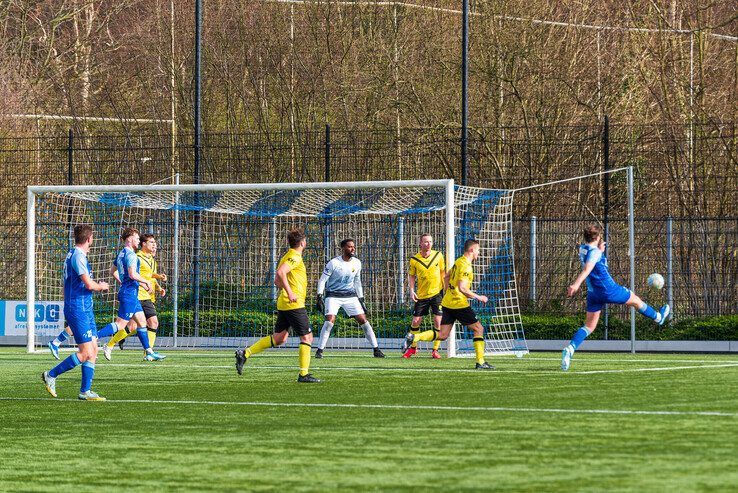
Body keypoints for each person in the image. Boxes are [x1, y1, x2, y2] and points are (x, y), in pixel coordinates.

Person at [561, 224, 670, 371]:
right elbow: (588, 269)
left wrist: (599, 251)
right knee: (636, 300)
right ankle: (658, 317)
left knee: (589, 326)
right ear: (598, 237)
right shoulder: (594, 253)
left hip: (594, 293)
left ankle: (570, 349)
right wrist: (575, 284)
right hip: (608, 289)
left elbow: (591, 258)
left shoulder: (583, 249)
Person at [235, 228, 320, 383]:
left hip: (285, 303)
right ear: (302, 242)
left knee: (280, 338)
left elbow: (276, 280)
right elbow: (281, 273)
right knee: (307, 337)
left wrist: (287, 290)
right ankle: (303, 374)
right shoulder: (294, 256)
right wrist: (291, 292)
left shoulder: (287, 255)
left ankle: (245, 353)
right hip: (293, 304)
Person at [402, 239, 494, 370]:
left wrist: (447, 291)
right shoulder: (466, 266)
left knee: (443, 335)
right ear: (472, 250)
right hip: (459, 304)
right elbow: (462, 288)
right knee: (479, 329)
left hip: (447, 302)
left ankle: (414, 337)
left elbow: (446, 277)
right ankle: (480, 362)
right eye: (478, 250)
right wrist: (479, 297)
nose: (479, 252)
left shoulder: (459, 261)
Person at [42, 224, 110, 400]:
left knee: (93, 349)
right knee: (86, 352)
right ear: (89, 239)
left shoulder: (73, 255)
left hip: (84, 308)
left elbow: (69, 285)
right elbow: (88, 284)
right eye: (92, 237)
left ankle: (85, 391)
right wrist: (101, 286)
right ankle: (51, 374)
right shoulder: (78, 256)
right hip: (78, 308)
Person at [101, 228, 165, 362]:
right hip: (130, 294)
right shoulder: (131, 255)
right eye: (136, 238)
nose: (138, 240)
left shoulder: (121, 254)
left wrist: (139, 283)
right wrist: (146, 282)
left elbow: (113, 271)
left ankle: (149, 351)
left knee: (142, 323)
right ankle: (94, 338)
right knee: (120, 325)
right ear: (129, 239)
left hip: (131, 292)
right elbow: (132, 274)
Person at [314, 238, 385, 359]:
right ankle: (319, 351)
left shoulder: (357, 263)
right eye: (349, 247)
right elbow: (322, 281)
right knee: (329, 321)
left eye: (353, 246)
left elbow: (357, 281)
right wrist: (319, 296)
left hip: (350, 296)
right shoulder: (333, 263)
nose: (352, 249)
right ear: (343, 248)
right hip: (333, 296)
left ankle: (376, 349)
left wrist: (361, 299)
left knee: (363, 320)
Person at [117, 234, 167, 354]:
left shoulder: (152, 261)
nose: (154, 246)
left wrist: (159, 286)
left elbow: (150, 276)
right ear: (144, 244)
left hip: (149, 295)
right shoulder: (137, 257)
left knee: (136, 326)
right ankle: (148, 353)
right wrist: (142, 283)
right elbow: (134, 275)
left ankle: (117, 339)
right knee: (151, 322)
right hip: (138, 295)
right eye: (152, 243)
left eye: (155, 244)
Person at [403, 233, 445, 359]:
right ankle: (413, 348)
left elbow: (443, 272)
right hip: (422, 295)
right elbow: (411, 275)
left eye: (431, 241)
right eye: (426, 242)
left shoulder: (438, 255)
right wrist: (411, 290)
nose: (429, 244)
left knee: (438, 321)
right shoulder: (414, 259)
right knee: (416, 321)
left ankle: (435, 350)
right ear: (420, 243)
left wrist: (446, 289)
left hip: (437, 293)